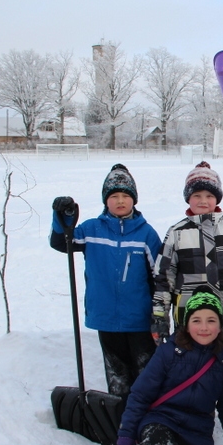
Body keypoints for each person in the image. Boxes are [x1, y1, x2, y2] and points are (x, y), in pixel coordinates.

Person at [151, 161, 223, 425]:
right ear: (188, 198)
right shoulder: (177, 233)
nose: (203, 201)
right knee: (193, 370)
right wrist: (159, 315)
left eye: (209, 195)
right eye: (197, 195)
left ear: (217, 198)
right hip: (191, 321)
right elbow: (163, 278)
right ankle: (195, 418)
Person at [115, 287, 223, 445]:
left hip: (196, 430)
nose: (204, 327)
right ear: (186, 324)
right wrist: (125, 440)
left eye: (211, 320)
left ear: (220, 325)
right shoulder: (168, 352)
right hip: (161, 421)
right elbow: (140, 395)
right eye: (196, 320)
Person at [50, 163, 163, 398]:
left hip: (139, 318)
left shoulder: (146, 234)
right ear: (105, 200)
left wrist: (158, 313)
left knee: (146, 373)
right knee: (117, 374)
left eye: (125, 196)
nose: (120, 201)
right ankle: (119, 414)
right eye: (114, 196)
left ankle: (148, 413)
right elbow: (61, 242)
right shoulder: (92, 229)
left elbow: (159, 276)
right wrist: (63, 216)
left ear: (134, 200)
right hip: (105, 316)